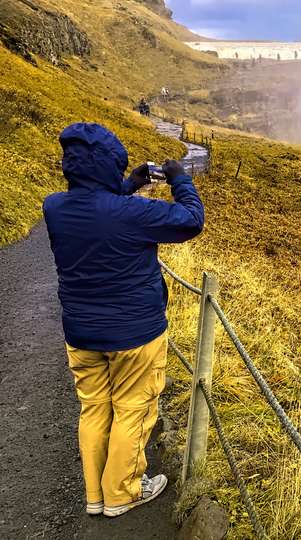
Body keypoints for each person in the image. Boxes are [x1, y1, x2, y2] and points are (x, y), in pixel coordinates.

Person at [43, 123, 204, 519]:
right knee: (133, 408)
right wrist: (180, 180)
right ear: (109, 165)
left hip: (80, 333)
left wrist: (126, 184)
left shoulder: (55, 207)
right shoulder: (133, 214)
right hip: (134, 332)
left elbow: (97, 207)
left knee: (94, 408)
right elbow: (190, 220)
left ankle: (95, 494)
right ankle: (123, 494)